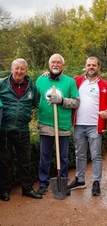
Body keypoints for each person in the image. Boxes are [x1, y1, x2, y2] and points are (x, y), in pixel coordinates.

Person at [67, 56, 107, 196]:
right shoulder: (77, 81)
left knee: (96, 155)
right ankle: (80, 180)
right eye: (89, 65)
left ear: (99, 67)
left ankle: (96, 182)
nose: (91, 67)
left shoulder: (105, 84)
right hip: (79, 124)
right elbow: (61, 82)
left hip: (96, 125)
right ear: (85, 66)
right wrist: (47, 74)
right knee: (79, 154)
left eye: (94, 65)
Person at [36, 54, 80, 195]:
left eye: (58, 63)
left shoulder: (69, 82)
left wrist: (62, 101)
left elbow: (76, 102)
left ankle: (63, 182)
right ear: (49, 65)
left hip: (62, 125)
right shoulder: (40, 80)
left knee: (64, 157)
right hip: (45, 124)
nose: (55, 65)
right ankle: (43, 183)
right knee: (44, 156)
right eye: (53, 62)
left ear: (63, 65)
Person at [0, 58, 42, 201]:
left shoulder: (32, 87)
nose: (19, 71)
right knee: (5, 161)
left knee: (25, 161)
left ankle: (27, 188)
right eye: (16, 68)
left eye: (22, 69)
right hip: (4, 129)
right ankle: (4, 190)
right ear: (11, 69)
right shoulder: (2, 84)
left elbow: (36, 103)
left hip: (23, 129)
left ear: (26, 70)